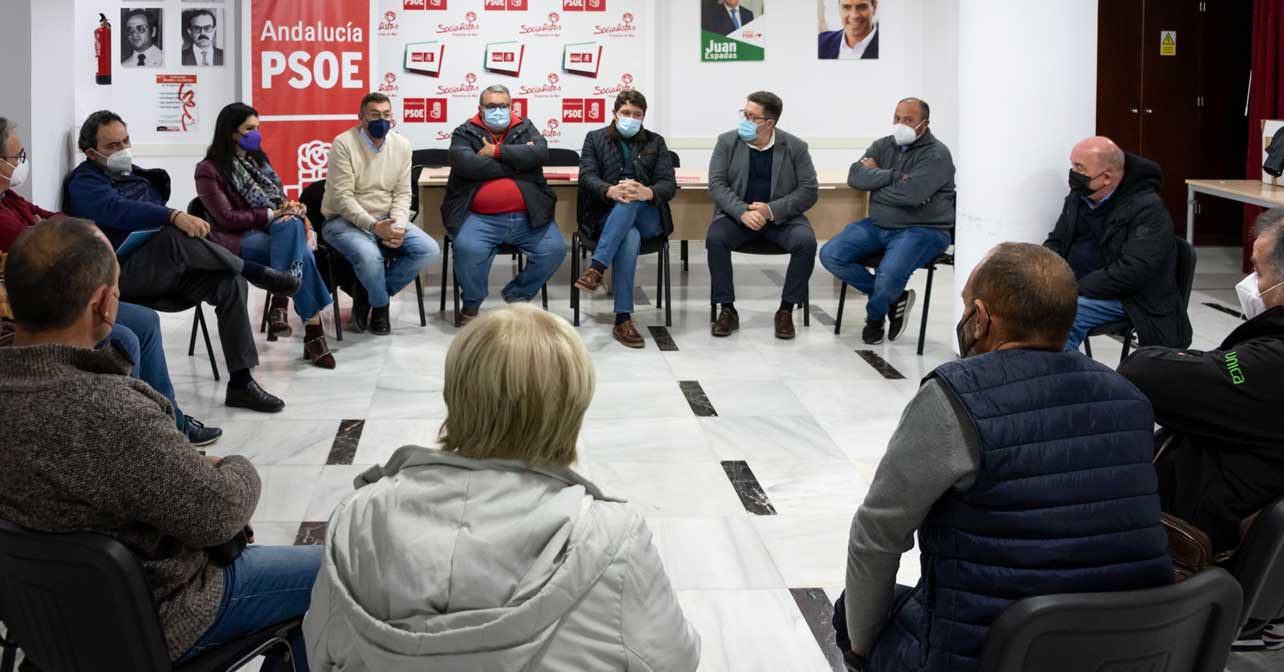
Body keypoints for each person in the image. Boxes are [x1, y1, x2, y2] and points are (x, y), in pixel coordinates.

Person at [831, 243, 1172, 672]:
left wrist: (864, 648)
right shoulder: (1130, 399)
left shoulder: (955, 397)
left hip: (989, 650)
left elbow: (878, 533)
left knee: (851, 613)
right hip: (1127, 647)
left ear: (982, 317)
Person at [0, 216, 322, 670]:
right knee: (338, 575)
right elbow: (220, 511)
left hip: (42, 626)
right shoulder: (108, 413)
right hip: (158, 617)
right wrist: (235, 465)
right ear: (105, 306)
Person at [302, 304, 700, 671]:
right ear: (572, 409)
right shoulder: (613, 537)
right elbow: (675, 659)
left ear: (454, 393)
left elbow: (320, 649)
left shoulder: (358, 516)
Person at [0, 117, 220, 445]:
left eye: (125, 141)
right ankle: (138, 437)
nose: (23, 163)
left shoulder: (10, 199)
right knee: (126, 338)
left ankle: (171, 425)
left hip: (64, 291)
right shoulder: (76, 184)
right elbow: (45, 243)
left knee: (146, 320)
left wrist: (45, 227)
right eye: (18, 157)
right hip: (33, 310)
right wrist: (47, 231)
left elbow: (60, 221)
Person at [65, 110, 291, 413]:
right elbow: (116, 209)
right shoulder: (83, 182)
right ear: (90, 152)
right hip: (116, 278)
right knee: (174, 234)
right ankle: (254, 271)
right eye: (113, 146)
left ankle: (241, 382)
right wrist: (172, 215)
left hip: (162, 271)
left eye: (126, 140)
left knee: (229, 282)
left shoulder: (135, 176)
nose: (123, 149)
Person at [1119, 207, 1284, 556]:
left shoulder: (1270, 365)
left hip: (1190, 540)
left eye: (1258, 271)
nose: (1252, 284)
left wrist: (1209, 364)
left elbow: (1143, 371)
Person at [198, 103, 335, 369]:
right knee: (302, 253)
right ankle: (311, 330)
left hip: (272, 233)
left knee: (292, 225)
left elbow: (276, 200)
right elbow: (226, 219)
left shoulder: (258, 160)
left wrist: (292, 209)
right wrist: (273, 214)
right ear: (231, 133)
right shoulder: (208, 170)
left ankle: (281, 301)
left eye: (258, 128)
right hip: (234, 239)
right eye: (250, 129)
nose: (256, 135)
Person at [819, 97, 954, 345]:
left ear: (924, 124)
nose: (900, 124)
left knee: (888, 273)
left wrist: (877, 184)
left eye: (908, 120)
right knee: (830, 254)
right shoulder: (883, 145)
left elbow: (911, 194)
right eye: (897, 118)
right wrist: (894, 176)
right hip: (879, 224)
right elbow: (855, 177)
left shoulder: (937, 155)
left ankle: (874, 318)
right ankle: (894, 299)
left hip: (923, 229)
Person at [1043, 136, 1192, 351]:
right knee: (1020, 306)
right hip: (1080, 287)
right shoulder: (1079, 196)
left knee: (1057, 320)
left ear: (1106, 177)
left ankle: (1063, 381)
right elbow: (1057, 241)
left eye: (1079, 168)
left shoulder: (1147, 209)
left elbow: (1132, 271)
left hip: (1131, 298)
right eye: (1072, 165)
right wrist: (1040, 274)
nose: (1073, 174)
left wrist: (1073, 289)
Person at [442, 84, 566, 326]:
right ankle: (471, 302)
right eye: (491, 106)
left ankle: (517, 294)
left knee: (555, 249)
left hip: (529, 216)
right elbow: (467, 165)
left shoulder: (524, 127)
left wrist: (496, 152)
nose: (498, 110)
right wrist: (519, 161)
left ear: (511, 107)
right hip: (478, 217)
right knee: (467, 249)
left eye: (503, 106)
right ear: (480, 108)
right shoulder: (464, 132)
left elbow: (540, 153)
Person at [321, 92, 438, 335]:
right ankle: (381, 306)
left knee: (428, 249)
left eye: (386, 115)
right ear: (361, 117)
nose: (381, 120)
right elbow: (342, 199)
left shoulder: (401, 145)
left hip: (386, 217)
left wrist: (397, 225)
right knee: (370, 256)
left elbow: (403, 193)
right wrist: (374, 226)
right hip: (343, 221)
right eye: (374, 115)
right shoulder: (343, 144)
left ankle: (367, 293)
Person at [706, 91, 819, 339]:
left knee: (806, 242)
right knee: (715, 238)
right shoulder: (727, 142)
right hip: (738, 218)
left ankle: (786, 310)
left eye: (752, 117)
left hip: (781, 219)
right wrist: (742, 211)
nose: (745, 121)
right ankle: (727, 309)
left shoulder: (795, 147)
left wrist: (770, 210)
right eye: (744, 114)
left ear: (769, 123)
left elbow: (809, 191)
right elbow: (716, 184)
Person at [573, 90, 677, 348]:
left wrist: (647, 192)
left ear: (643, 117)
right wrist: (609, 190)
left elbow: (668, 184)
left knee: (631, 199)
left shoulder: (656, 142)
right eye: (626, 113)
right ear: (615, 114)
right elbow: (587, 176)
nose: (631, 118)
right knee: (628, 236)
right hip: (607, 214)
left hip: (649, 215)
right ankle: (623, 318)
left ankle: (596, 268)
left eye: (637, 115)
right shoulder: (595, 139)